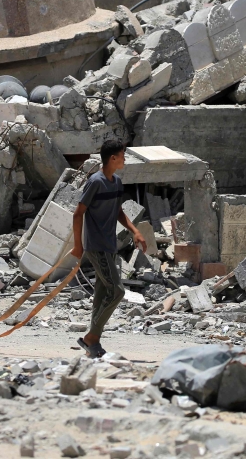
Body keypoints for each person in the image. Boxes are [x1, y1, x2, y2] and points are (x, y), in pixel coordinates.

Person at [70, 138, 146, 358]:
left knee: (102, 293)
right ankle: (91, 337)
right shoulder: (95, 182)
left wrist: (135, 231)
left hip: (110, 245)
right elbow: (78, 213)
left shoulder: (117, 182)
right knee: (117, 291)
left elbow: (118, 211)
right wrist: (78, 246)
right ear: (113, 158)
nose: (124, 159)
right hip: (97, 246)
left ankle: (92, 345)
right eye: (122, 155)